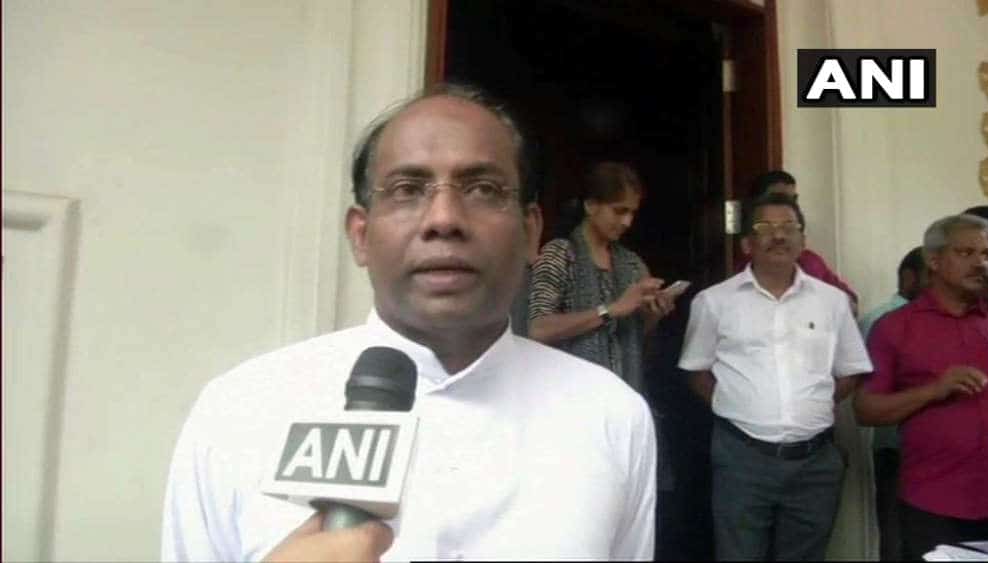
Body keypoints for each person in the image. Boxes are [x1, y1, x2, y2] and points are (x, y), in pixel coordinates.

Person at [161, 84, 657, 561]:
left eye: (483, 189)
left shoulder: (612, 417)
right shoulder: (239, 412)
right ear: (361, 235)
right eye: (407, 189)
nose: (444, 219)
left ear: (530, 232)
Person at [679, 192, 872, 561]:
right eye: (765, 227)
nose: (779, 236)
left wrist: (810, 406)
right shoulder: (714, 302)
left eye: (788, 227)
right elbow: (696, 372)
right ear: (747, 244)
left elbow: (850, 371)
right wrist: (739, 407)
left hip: (815, 462)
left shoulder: (832, 301)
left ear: (803, 240)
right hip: (742, 458)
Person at [854, 214, 988, 560]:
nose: (980, 263)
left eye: (985, 253)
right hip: (935, 503)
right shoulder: (895, 328)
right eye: (965, 252)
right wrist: (934, 390)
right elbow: (866, 410)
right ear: (933, 260)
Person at [528, 161, 675, 393]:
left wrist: (652, 315)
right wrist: (611, 310)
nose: (627, 222)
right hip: (569, 394)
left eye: (632, 212)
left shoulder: (633, 265)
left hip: (624, 395)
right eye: (619, 211)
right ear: (590, 206)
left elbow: (638, 340)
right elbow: (537, 330)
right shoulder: (559, 255)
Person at [857, 245, 925, 561]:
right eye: (932, 274)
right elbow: (869, 391)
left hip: (931, 451)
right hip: (897, 447)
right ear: (910, 278)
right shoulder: (886, 320)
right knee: (899, 538)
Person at [740, 170, 859, 312]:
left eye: (793, 198)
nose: (779, 236)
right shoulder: (736, 280)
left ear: (802, 241)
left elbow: (850, 303)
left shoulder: (811, 261)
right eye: (779, 197)